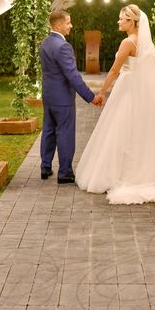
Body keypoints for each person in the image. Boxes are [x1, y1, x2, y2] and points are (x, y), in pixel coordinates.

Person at [76, 4, 155, 219]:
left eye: (122, 18)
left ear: (132, 22)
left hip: (127, 90)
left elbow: (115, 70)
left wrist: (101, 92)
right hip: (138, 90)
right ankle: (142, 170)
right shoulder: (144, 43)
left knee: (121, 129)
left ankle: (124, 174)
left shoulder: (128, 42)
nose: (118, 21)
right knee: (139, 129)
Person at [40, 10, 103, 184]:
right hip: (62, 99)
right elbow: (73, 76)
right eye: (68, 22)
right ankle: (65, 173)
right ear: (58, 25)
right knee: (65, 133)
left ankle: (45, 167)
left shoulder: (45, 43)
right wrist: (91, 97)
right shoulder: (63, 46)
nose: (71, 26)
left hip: (49, 96)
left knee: (48, 131)